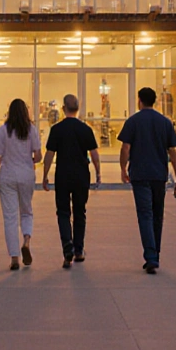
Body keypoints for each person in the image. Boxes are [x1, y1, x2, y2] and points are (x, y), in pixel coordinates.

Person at [117, 86, 176, 274]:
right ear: (155, 101)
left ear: (139, 100)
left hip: (140, 174)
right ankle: (155, 254)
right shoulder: (165, 123)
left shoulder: (133, 122)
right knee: (157, 214)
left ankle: (151, 255)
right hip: (158, 175)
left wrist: (123, 168)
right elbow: (173, 153)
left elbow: (125, 148)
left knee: (145, 214)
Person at [41, 94, 101, 269]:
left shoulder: (57, 129)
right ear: (77, 108)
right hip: (82, 175)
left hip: (63, 175)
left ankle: (67, 248)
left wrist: (45, 175)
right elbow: (94, 154)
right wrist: (98, 173)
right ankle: (79, 250)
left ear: (63, 109)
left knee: (63, 212)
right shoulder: (85, 129)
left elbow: (49, 155)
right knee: (80, 212)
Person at [0, 98, 42, 270]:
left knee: (10, 217)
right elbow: (39, 155)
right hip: (26, 175)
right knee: (26, 211)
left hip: (8, 176)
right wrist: (31, 160)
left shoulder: (3, 131)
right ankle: (26, 240)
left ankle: (14, 258)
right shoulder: (31, 130)